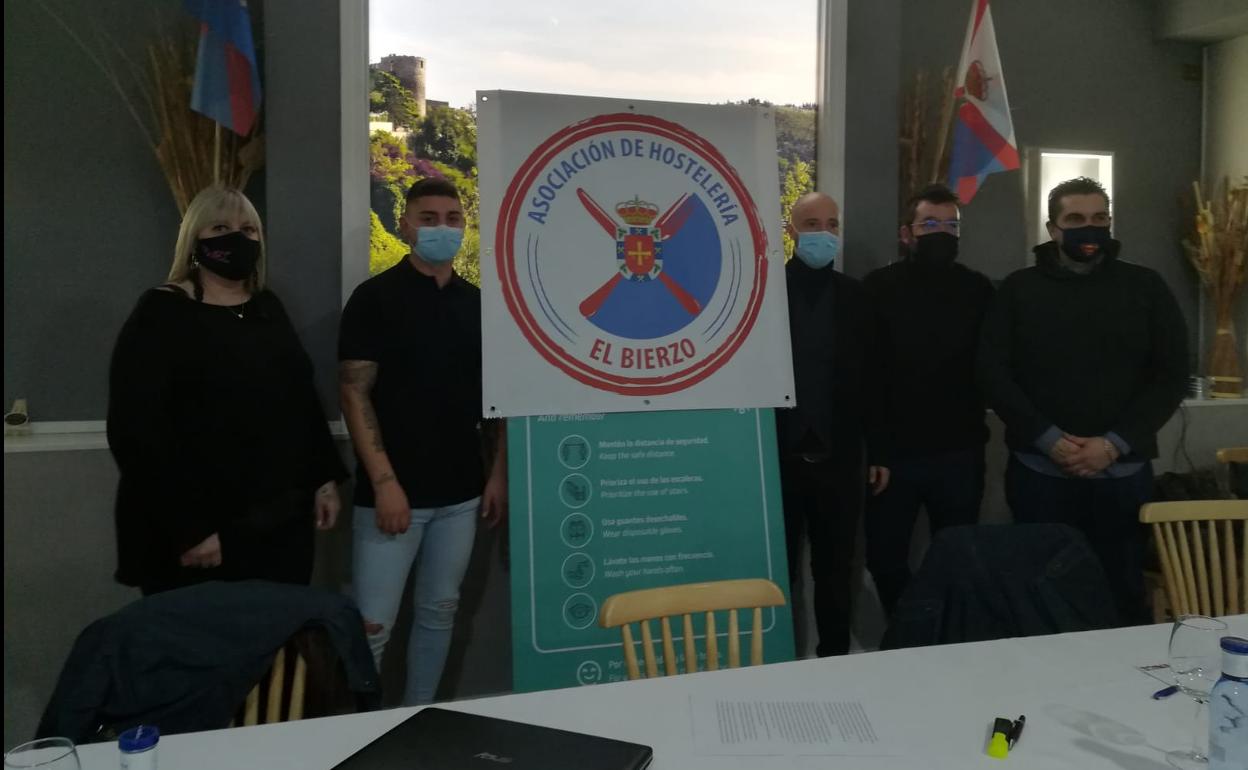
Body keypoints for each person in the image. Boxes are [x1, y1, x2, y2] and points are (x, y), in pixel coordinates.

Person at [107, 186, 346, 596]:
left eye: (249, 230)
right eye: (221, 227)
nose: (238, 237)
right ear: (194, 237)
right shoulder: (162, 313)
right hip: (203, 530)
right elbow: (136, 431)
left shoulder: (267, 307)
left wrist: (322, 479)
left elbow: (299, 400)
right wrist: (189, 529)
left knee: (278, 630)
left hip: (280, 522)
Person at [977, 176, 1188, 625]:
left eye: (1099, 218)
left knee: (1121, 594)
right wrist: (1048, 439)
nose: (1088, 228)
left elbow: (1170, 377)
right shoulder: (1018, 289)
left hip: (1122, 473)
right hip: (1040, 473)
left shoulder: (1146, 287)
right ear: (1053, 228)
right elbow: (993, 373)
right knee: (1039, 595)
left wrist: (1112, 444)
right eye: (1075, 219)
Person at [338, 177, 507, 705]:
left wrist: (496, 474)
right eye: (428, 218)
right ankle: (360, 730)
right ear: (405, 224)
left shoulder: (478, 304)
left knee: (440, 613)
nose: (442, 228)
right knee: (373, 627)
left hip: (461, 495)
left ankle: (421, 717)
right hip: (391, 498)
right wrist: (385, 483)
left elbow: (497, 400)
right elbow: (354, 393)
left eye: (452, 219)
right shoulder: (374, 299)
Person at [863, 184, 994, 616]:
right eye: (930, 224)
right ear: (907, 233)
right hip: (892, 458)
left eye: (951, 225)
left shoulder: (979, 290)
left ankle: (946, 637)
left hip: (960, 452)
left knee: (960, 559)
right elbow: (866, 374)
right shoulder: (877, 288)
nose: (941, 233)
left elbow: (995, 366)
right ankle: (910, 632)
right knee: (884, 559)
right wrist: (875, 449)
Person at [776, 191, 890, 657]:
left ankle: (835, 660)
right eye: (811, 224)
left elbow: (876, 379)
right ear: (791, 230)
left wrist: (878, 451)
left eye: (832, 224)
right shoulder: (764, 295)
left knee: (836, 570)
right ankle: (778, 659)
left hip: (840, 458)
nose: (823, 233)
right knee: (777, 570)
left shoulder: (858, 297)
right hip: (776, 459)